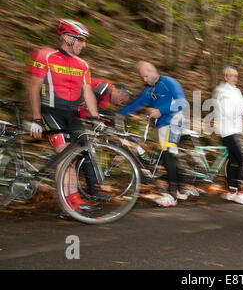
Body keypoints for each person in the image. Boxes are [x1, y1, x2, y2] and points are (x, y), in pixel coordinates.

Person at [26, 19, 101, 215]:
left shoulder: (83, 64)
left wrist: (95, 117)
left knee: (73, 158)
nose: (83, 44)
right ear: (67, 38)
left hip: (72, 114)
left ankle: (73, 199)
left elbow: (88, 92)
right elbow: (34, 87)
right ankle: (66, 204)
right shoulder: (46, 56)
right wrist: (35, 119)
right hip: (50, 111)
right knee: (65, 154)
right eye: (80, 40)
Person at [116, 61, 188, 207]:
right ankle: (180, 190)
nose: (145, 80)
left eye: (146, 76)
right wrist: (118, 115)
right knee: (169, 156)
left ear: (153, 71)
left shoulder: (168, 82)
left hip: (174, 121)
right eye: (142, 77)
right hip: (161, 125)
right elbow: (135, 104)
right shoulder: (148, 90)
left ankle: (171, 195)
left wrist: (161, 110)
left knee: (168, 154)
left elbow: (182, 102)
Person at [213, 66, 243, 205]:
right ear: (225, 77)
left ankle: (231, 191)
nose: (234, 78)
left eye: (236, 76)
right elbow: (231, 113)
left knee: (234, 159)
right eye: (231, 76)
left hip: (235, 130)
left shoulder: (236, 91)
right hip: (227, 130)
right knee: (241, 158)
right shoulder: (222, 92)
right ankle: (240, 192)